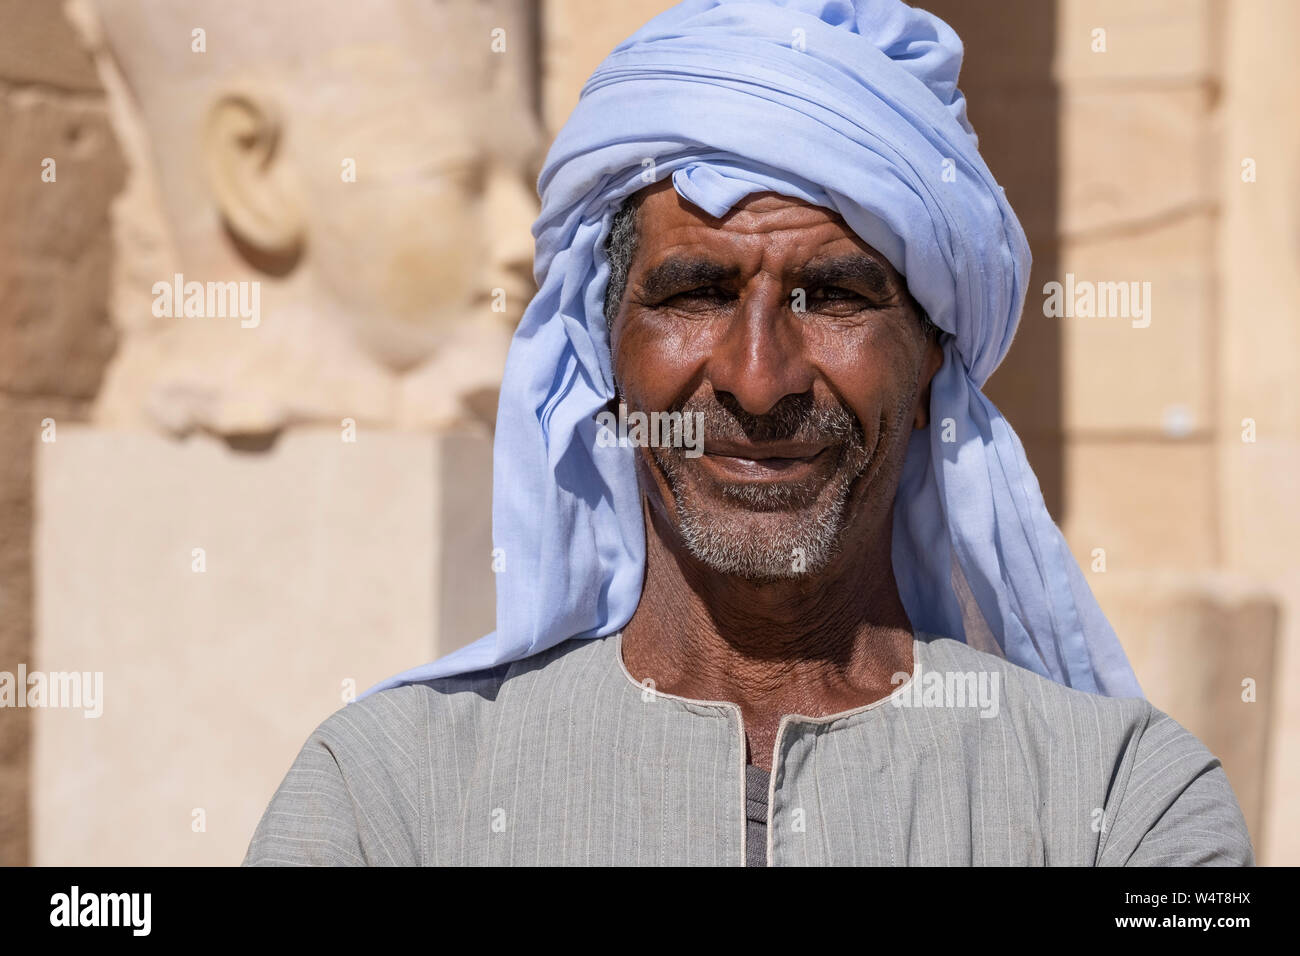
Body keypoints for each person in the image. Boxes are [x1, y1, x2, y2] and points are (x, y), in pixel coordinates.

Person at [244, 0, 1253, 866]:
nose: (756, 378)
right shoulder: (391, 799)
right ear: (605, 353)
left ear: (928, 360)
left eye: (834, 297)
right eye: (694, 293)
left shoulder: (1121, 807)